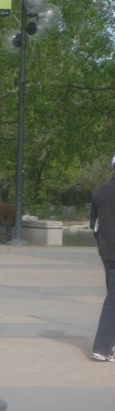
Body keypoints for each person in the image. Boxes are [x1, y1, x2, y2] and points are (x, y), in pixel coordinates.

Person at [90, 155, 115, 361]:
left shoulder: (101, 191)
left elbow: (94, 224)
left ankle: (110, 344)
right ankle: (102, 345)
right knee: (113, 300)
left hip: (107, 252)